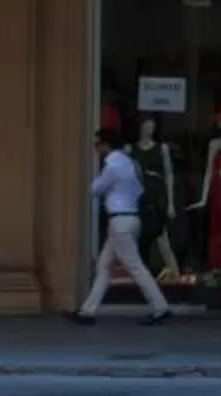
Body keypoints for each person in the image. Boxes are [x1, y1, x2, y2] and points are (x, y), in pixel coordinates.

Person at [70, 126, 172, 326]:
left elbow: (95, 189)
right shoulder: (130, 163)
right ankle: (87, 311)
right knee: (104, 266)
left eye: (98, 144)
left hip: (119, 222)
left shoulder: (112, 166)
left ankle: (161, 307)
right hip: (130, 219)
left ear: (107, 145)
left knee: (134, 267)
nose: (96, 148)